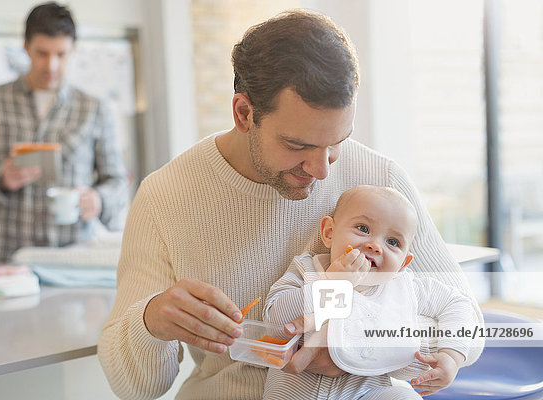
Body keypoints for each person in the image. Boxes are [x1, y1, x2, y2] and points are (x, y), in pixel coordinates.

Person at [98, 9, 483, 400]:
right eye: (298, 146)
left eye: (337, 143)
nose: (321, 170)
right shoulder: (166, 197)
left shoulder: (380, 181)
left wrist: (350, 347)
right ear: (245, 113)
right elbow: (134, 388)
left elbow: (467, 323)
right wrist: (151, 322)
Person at [0, 2, 128, 264]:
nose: (52, 65)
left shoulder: (94, 108)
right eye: (42, 53)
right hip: (8, 259)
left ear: (73, 49)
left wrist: (99, 200)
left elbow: (117, 181)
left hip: (74, 260)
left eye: (61, 54)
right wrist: (0, 178)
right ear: (25, 46)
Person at [263, 185, 477, 399]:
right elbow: (276, 324)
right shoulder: (307, 270)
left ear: (403, 262)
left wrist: (452, 355)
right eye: (363, 228)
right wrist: (333, 283)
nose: (376, 245)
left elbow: (458, 304)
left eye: (393, 242)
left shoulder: (405, 288)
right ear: (329, 233)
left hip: (368, 393)